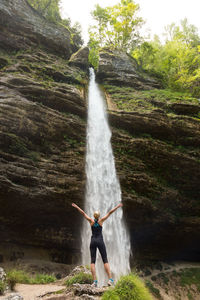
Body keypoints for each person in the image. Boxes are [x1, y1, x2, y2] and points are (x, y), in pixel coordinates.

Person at [72, 202, 123, 287]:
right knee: (105, 260)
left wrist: (77, 206)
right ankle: (110, 280)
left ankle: (94, 281)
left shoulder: (91, 221)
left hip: (93, 241)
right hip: (100, 240)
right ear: (99, 216)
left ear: (93, 216)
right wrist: (117, 206)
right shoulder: (101, 221)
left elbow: (83, 213)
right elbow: (110, 213)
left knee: (92, 261)